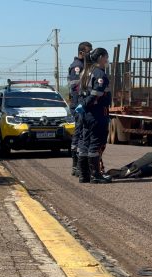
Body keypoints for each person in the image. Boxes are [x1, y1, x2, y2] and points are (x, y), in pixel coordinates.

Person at [77, 48, 112, 184]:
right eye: (106, 57)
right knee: (96, 144)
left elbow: (80, 93)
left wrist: (82, 106)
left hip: (86, 114)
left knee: (85, 143)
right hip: (97, 113)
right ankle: (96, 175)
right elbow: (96, 93)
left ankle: (84, 175)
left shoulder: (86, 72)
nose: (107, 60)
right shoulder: (99, 73)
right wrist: (85, 104)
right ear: (101, 57)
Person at [68, 41, 93, 177]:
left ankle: (80, 166)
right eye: (89, 51)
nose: (91, 54)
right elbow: (76, 88)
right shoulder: (77, 67)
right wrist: (82, 104)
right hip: (78, 105)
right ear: (82, 52)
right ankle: (76, 166)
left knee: (82, 134)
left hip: (81, 105)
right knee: (79, 134)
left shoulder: (85, 66)